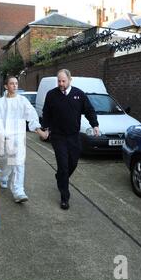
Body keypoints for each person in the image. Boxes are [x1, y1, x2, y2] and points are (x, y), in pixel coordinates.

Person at [40, 69, 99, 210]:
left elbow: (89, 110)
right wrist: (45, 128)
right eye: (59, 81)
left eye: (63, 81)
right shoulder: (51, 95)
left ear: (70, 80)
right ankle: (64, 198)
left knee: (73, 163)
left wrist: (95, 124)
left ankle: (60, 177)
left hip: (73, 136)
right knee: (64, 166)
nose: (61, 84)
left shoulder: (79, 94)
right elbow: (46, 113)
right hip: (58, 137)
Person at [0, 76, 47, 203]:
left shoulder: (23, 101)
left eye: (16, 83)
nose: (15, 86)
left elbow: (31, 115)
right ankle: (3, 176)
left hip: (19, 137)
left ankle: (18, 190)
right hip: (5, 138)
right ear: (6, 86)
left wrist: (38, 130)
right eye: (12, 84)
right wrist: (4, 134)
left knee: (18, 163)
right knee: (6, 161)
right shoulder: (0, 103)